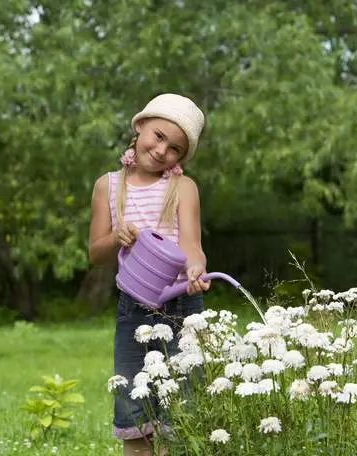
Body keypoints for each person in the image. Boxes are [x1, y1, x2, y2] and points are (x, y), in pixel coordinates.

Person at [88, 93, 211, 455]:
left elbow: (192, 246)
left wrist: (195, 268)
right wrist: (116, 238)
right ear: (140, 126)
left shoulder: (183, 187)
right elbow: (96, 252)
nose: (161, 151)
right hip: (134, 309)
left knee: (182, 411)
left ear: (181, 157)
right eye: (158, 136)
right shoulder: (108, 186)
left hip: (183, 306)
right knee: (133, 407)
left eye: (174, 148)